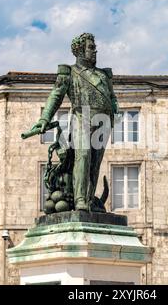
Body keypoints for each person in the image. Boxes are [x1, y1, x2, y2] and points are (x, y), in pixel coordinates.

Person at [31, 33, 119, 211]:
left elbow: (111, 96)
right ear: (79, 50)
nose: (95, 51)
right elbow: (56, 95)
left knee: (95, 162)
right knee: (83, 156)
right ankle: (80, 200)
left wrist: (114, 107)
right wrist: (44, 118)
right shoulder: (70, 72)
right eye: (91, 47)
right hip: (82, 117)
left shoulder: (104, 75)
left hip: (104, 121)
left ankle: (88, 198)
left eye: (94, 47)